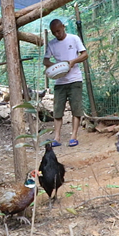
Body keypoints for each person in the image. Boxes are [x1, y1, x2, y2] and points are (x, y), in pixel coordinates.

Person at [43, 19, 88, 147]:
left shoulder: (74, 39)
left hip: (75, 79)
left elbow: (85, 55)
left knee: (76, 109)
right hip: (60, 80)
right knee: (57, 110)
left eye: (58, 30)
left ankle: (73, 136)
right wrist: (57, 66)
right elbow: (45, 61)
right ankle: (56, 137)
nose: (57, 34)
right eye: (54, 32)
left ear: (63, 27)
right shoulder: (52, 44)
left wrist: (72, 62)